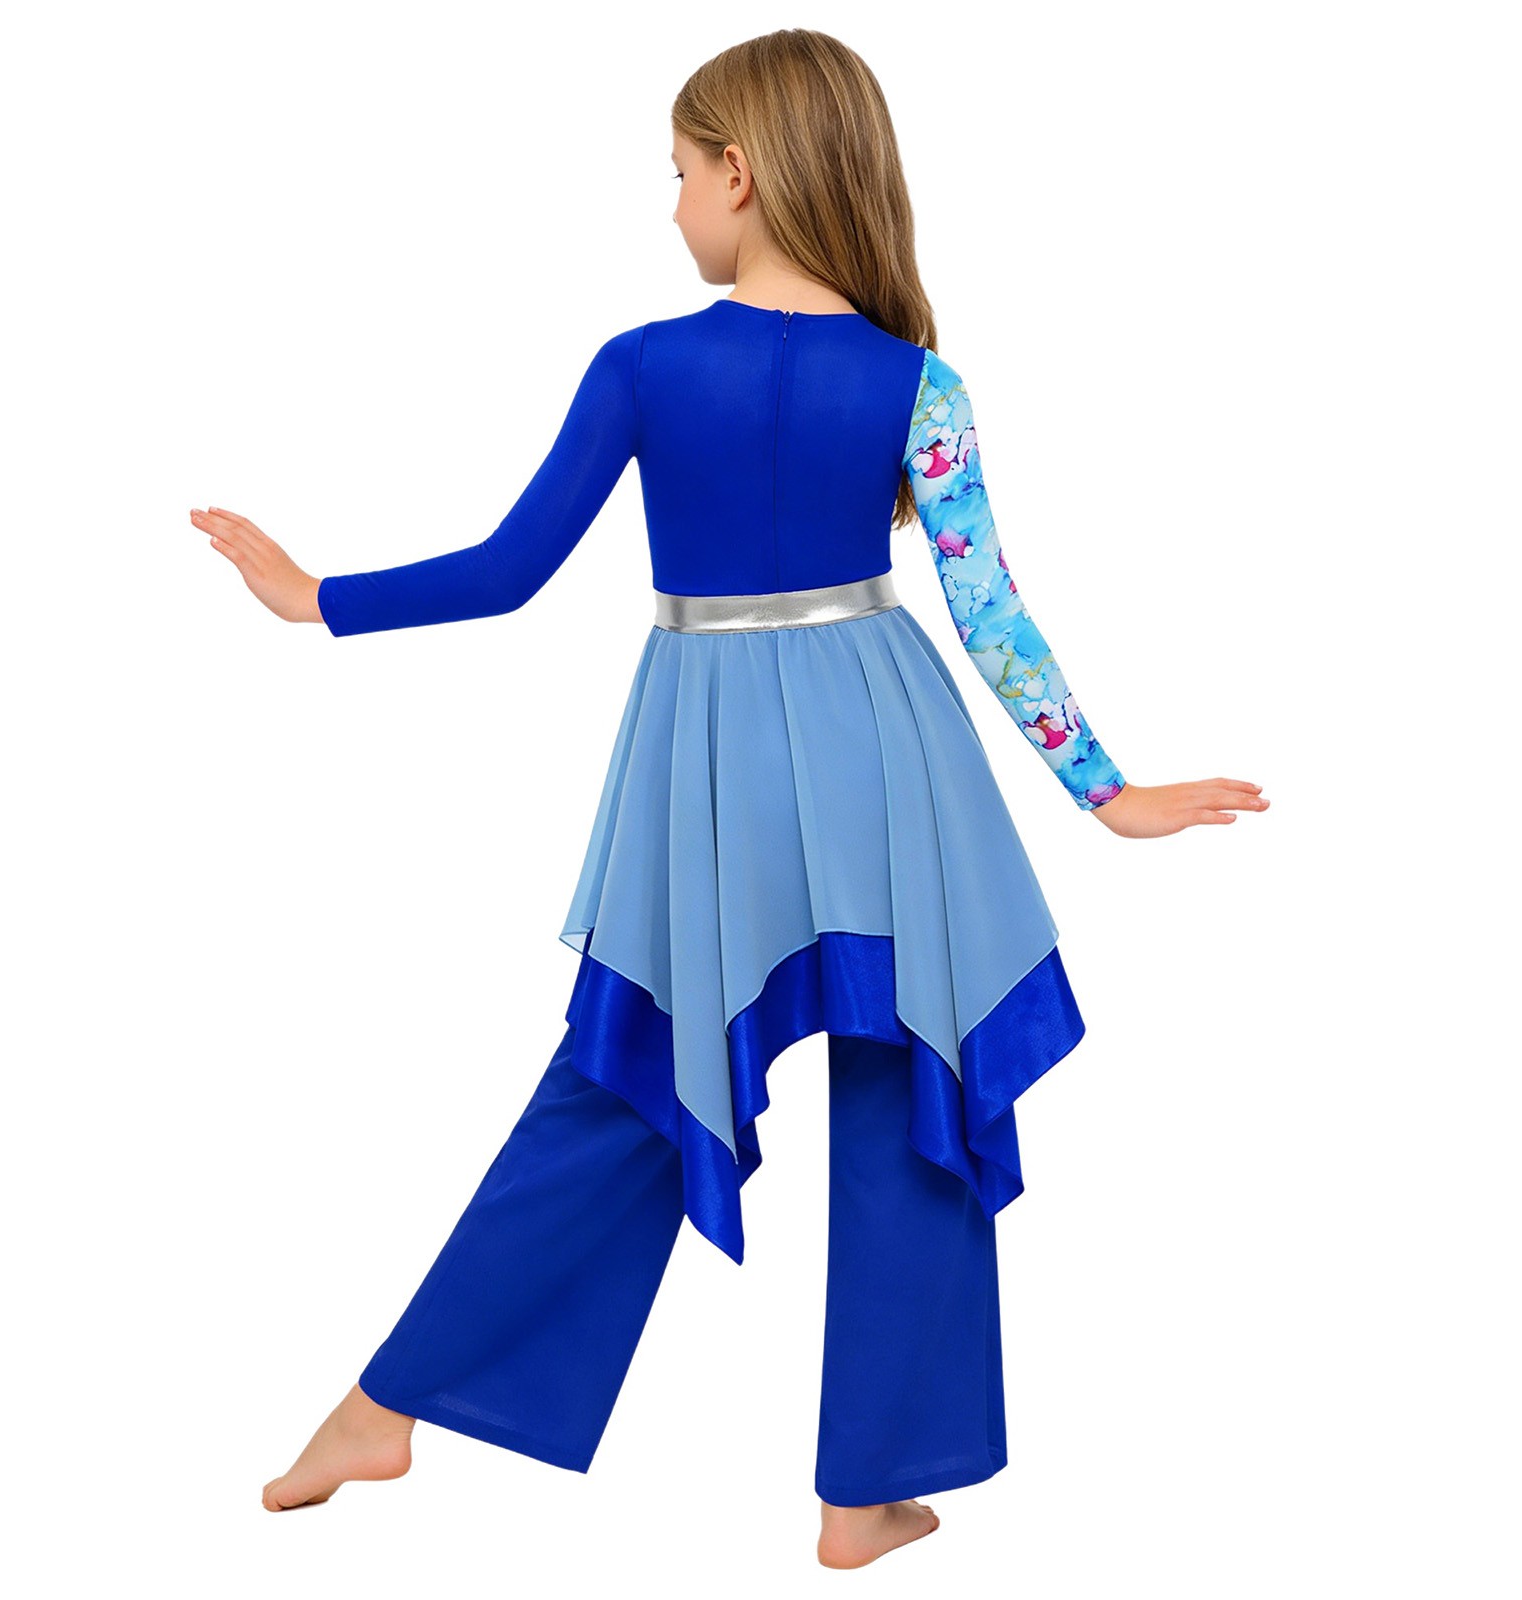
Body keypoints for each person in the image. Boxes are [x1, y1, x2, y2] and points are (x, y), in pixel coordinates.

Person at [192, 28, 1267, 1571]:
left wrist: (318, 601)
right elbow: (988, 610)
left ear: (742, 175)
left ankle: (389, 1404)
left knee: (629, 1069)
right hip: (891, 754)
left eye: (680, 173)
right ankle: (865, 1491)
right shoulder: (920, 383)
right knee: (911, 1080)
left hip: (708, 762)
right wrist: (1106, 792)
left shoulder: (643, 365)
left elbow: (508, 572)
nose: (674, 204)